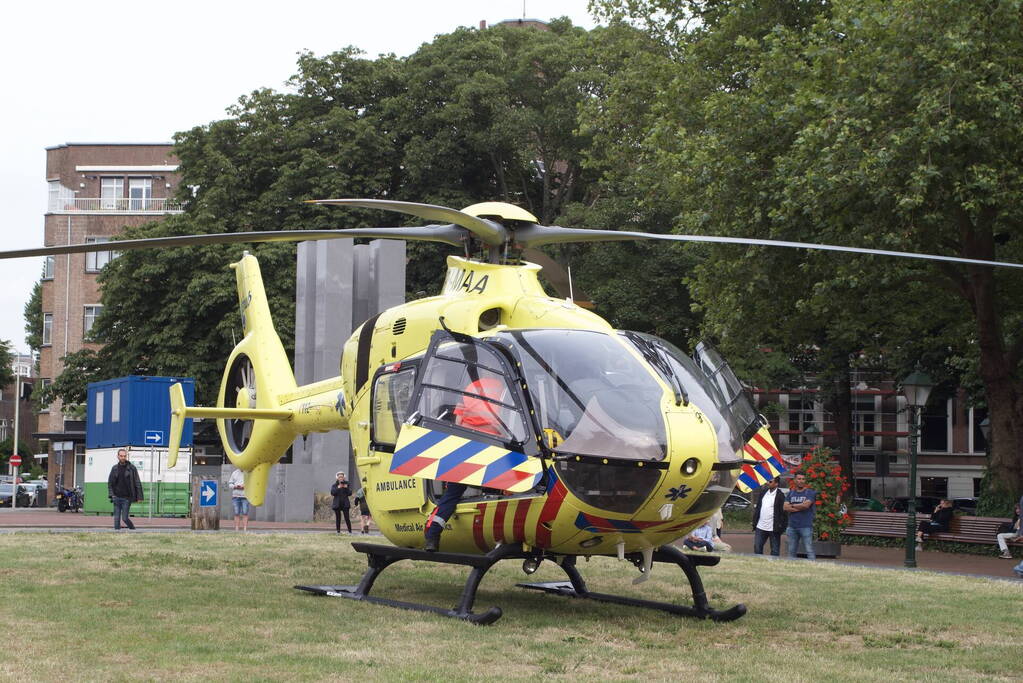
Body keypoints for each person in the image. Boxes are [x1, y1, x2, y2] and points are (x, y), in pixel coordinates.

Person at [424, 377, 505, 552]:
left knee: (452, 495)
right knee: (499, 492)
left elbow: (459, 421)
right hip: (494, 446)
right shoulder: (503, 387)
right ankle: (498, 537)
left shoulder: (471, 387)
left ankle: (432, 536)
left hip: (467, 446)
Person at [107, 449, 143, 530]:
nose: (123, 457)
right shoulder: (114, 468)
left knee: (124, 518)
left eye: (124, 456)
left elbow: (137, 482)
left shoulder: (132, 468)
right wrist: (112, 495)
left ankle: (133, 529)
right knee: (116, 519)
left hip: (127, 498)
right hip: (116, 497)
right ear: (118, 456)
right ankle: (117, 536)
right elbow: (110, 483)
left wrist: (140, 497)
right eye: (121, 456)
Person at [784, 473, 817, 560]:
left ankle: (814, 568)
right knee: (791, 551)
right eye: (799, 479)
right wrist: (800, 506)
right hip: (792, 526)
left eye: (803, 479)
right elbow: (785, 507)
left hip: (806, 526)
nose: (801, 481)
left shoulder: (810, 492)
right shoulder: (790, 493)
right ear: (795, 480)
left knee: (809, 550)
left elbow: (806, 505)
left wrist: (792, 505)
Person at [752, 476, 787, 556]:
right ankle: (758, 564)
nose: (768, 483)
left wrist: (781, 526)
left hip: (773, 528)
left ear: (776, 484)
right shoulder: (763, 492)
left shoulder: (780, 495)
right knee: (757, 547)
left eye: (770, 482)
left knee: (775, 550)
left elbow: (783, 513)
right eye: (767, 481)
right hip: (760, 526)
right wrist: (755, 521)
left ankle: (774, 565)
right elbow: (758, 508)